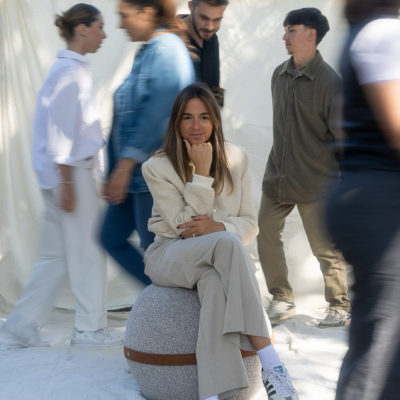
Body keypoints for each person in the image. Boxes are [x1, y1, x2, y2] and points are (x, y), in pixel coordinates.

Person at [142, 83, 298, 400]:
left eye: (204, 117)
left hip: (218, 263)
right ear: (176, 122)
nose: (196, 126)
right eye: (187, 118)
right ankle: (273, 365)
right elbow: (182, 227)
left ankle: (212, 395)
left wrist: (218, 225)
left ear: (215, 120)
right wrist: (200, 174)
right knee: (227, 242)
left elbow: (249, 224)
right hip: (170, 256)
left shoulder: (236, 158)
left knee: (216, 282)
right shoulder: (156, 166)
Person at [0, 3, 122, 347]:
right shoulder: (70, 74)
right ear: (81, 29)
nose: (104, 33)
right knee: (88, 252)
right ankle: (88, 328)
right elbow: (61, 135)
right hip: (71, 174)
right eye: (99, 26)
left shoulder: (66, 70)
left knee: (53, 256)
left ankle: (20, 326)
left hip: (59, 176)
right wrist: (68, 183)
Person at [325, 0, 400, 398]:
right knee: (382, 351)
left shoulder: (364, 35)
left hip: (365, 196)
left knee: (379, 342)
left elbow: (341, 127)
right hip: (381, 205)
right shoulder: (385, 33)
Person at [257, 7, 351, 327]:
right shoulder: (278, 76)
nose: (284, 36)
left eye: (291, 30)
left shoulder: (330, 83)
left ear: (311, 35)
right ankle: (282, 299)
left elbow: (342, 139)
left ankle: (340, 305)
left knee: (325, 248)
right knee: (266, 232)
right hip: (278, 176)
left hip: (315, 180)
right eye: (285, 30)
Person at [99, 0, 194, 284]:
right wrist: (116, 172)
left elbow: (158, 115)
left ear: (147, 12)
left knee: (157, 258)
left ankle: (174, 314)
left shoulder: (166, 50)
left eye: (124, 16)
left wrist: (125, 166)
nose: (119, 24)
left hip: (151, 178)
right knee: (110, 237)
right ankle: (163, 305)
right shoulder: (149, 52)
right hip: (134, 179)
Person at [179, 0, 227, 106]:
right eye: (204, 18)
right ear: (191, 6)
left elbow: (215, 85)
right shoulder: (169, 38)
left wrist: (217, 114)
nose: (210, 27)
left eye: (217, 19)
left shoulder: (212, 39)